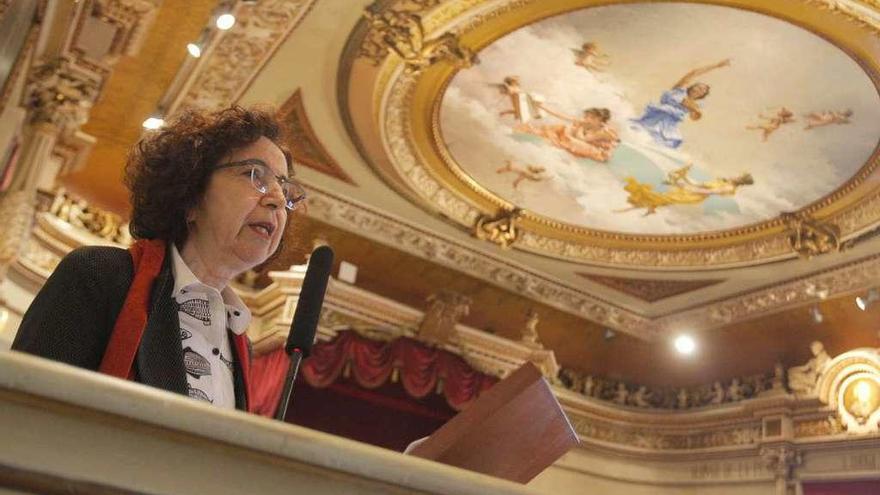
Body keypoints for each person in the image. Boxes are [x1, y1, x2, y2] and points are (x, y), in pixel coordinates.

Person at [12, 106, 306, 412]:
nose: (275, 200)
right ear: (191, 195)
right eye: (253, 174)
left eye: (284, 190)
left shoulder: (240, 343)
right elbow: (23, 413)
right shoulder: (99, 276)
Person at [631, 59, 730, 148]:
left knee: (652, 146)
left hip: (668, 129)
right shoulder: (678, 90)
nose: (700, 90)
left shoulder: (696, 105)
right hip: (653, 119)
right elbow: (693, 73)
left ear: (703, 95)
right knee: (636, 137)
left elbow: (694, 117)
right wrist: (716, 65)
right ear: (692, 86)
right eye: (699, 87)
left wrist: (695, 111)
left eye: (703, 91)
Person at [517, 107, 619, 162]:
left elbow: (583, 139)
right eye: (587, 116)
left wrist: (580, 127)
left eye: (591, 118)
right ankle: (533, 131)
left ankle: (556, 142)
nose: (587, 119)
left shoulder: (604, 132)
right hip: (585, 141)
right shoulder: (588, 122)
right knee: (562, 127)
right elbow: (563, 116)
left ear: (600, 120)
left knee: (572, 139)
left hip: (597, 151)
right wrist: (542, 107)